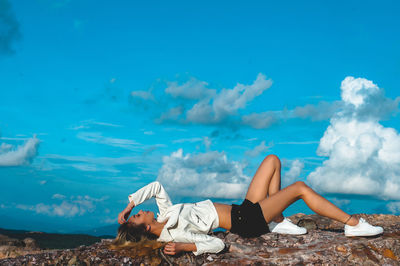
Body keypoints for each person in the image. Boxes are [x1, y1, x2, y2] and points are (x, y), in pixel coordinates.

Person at [116, 154, 384, 256]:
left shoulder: (165, 214)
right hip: (247, 222)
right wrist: (188, 246)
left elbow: (157, 187)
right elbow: (218, 244)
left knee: (273, 160)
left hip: (243, 210)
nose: (140, 212)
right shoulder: (174, 234)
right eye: (137, 216)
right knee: (300, 188)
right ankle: (353, 225)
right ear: (147, 227)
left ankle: (278, 221)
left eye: (137, 212)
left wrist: (129, 205)